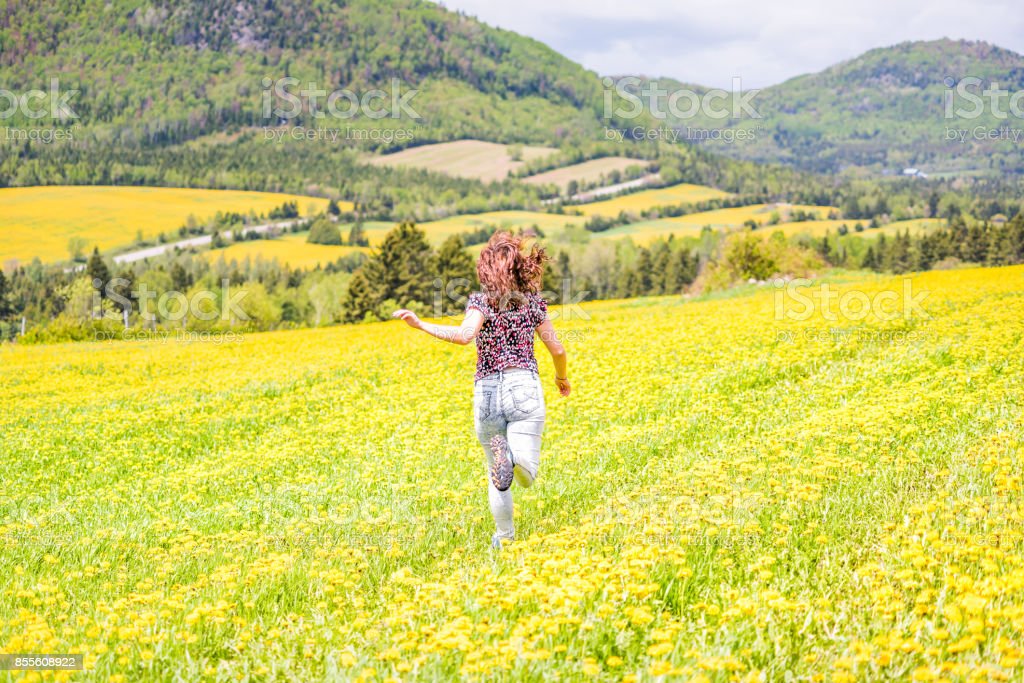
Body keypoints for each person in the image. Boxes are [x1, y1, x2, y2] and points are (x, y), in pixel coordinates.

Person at [393, 231, 570, 549]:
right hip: (523, 386)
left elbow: (463, 336)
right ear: (521, 268)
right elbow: (557, 350)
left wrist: (421, 325)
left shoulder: (481, 301)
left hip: (487, 392)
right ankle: (515, 461)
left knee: (496, 474)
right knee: (526, 473)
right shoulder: (533, 303)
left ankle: (504, 540)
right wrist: (561, 378)